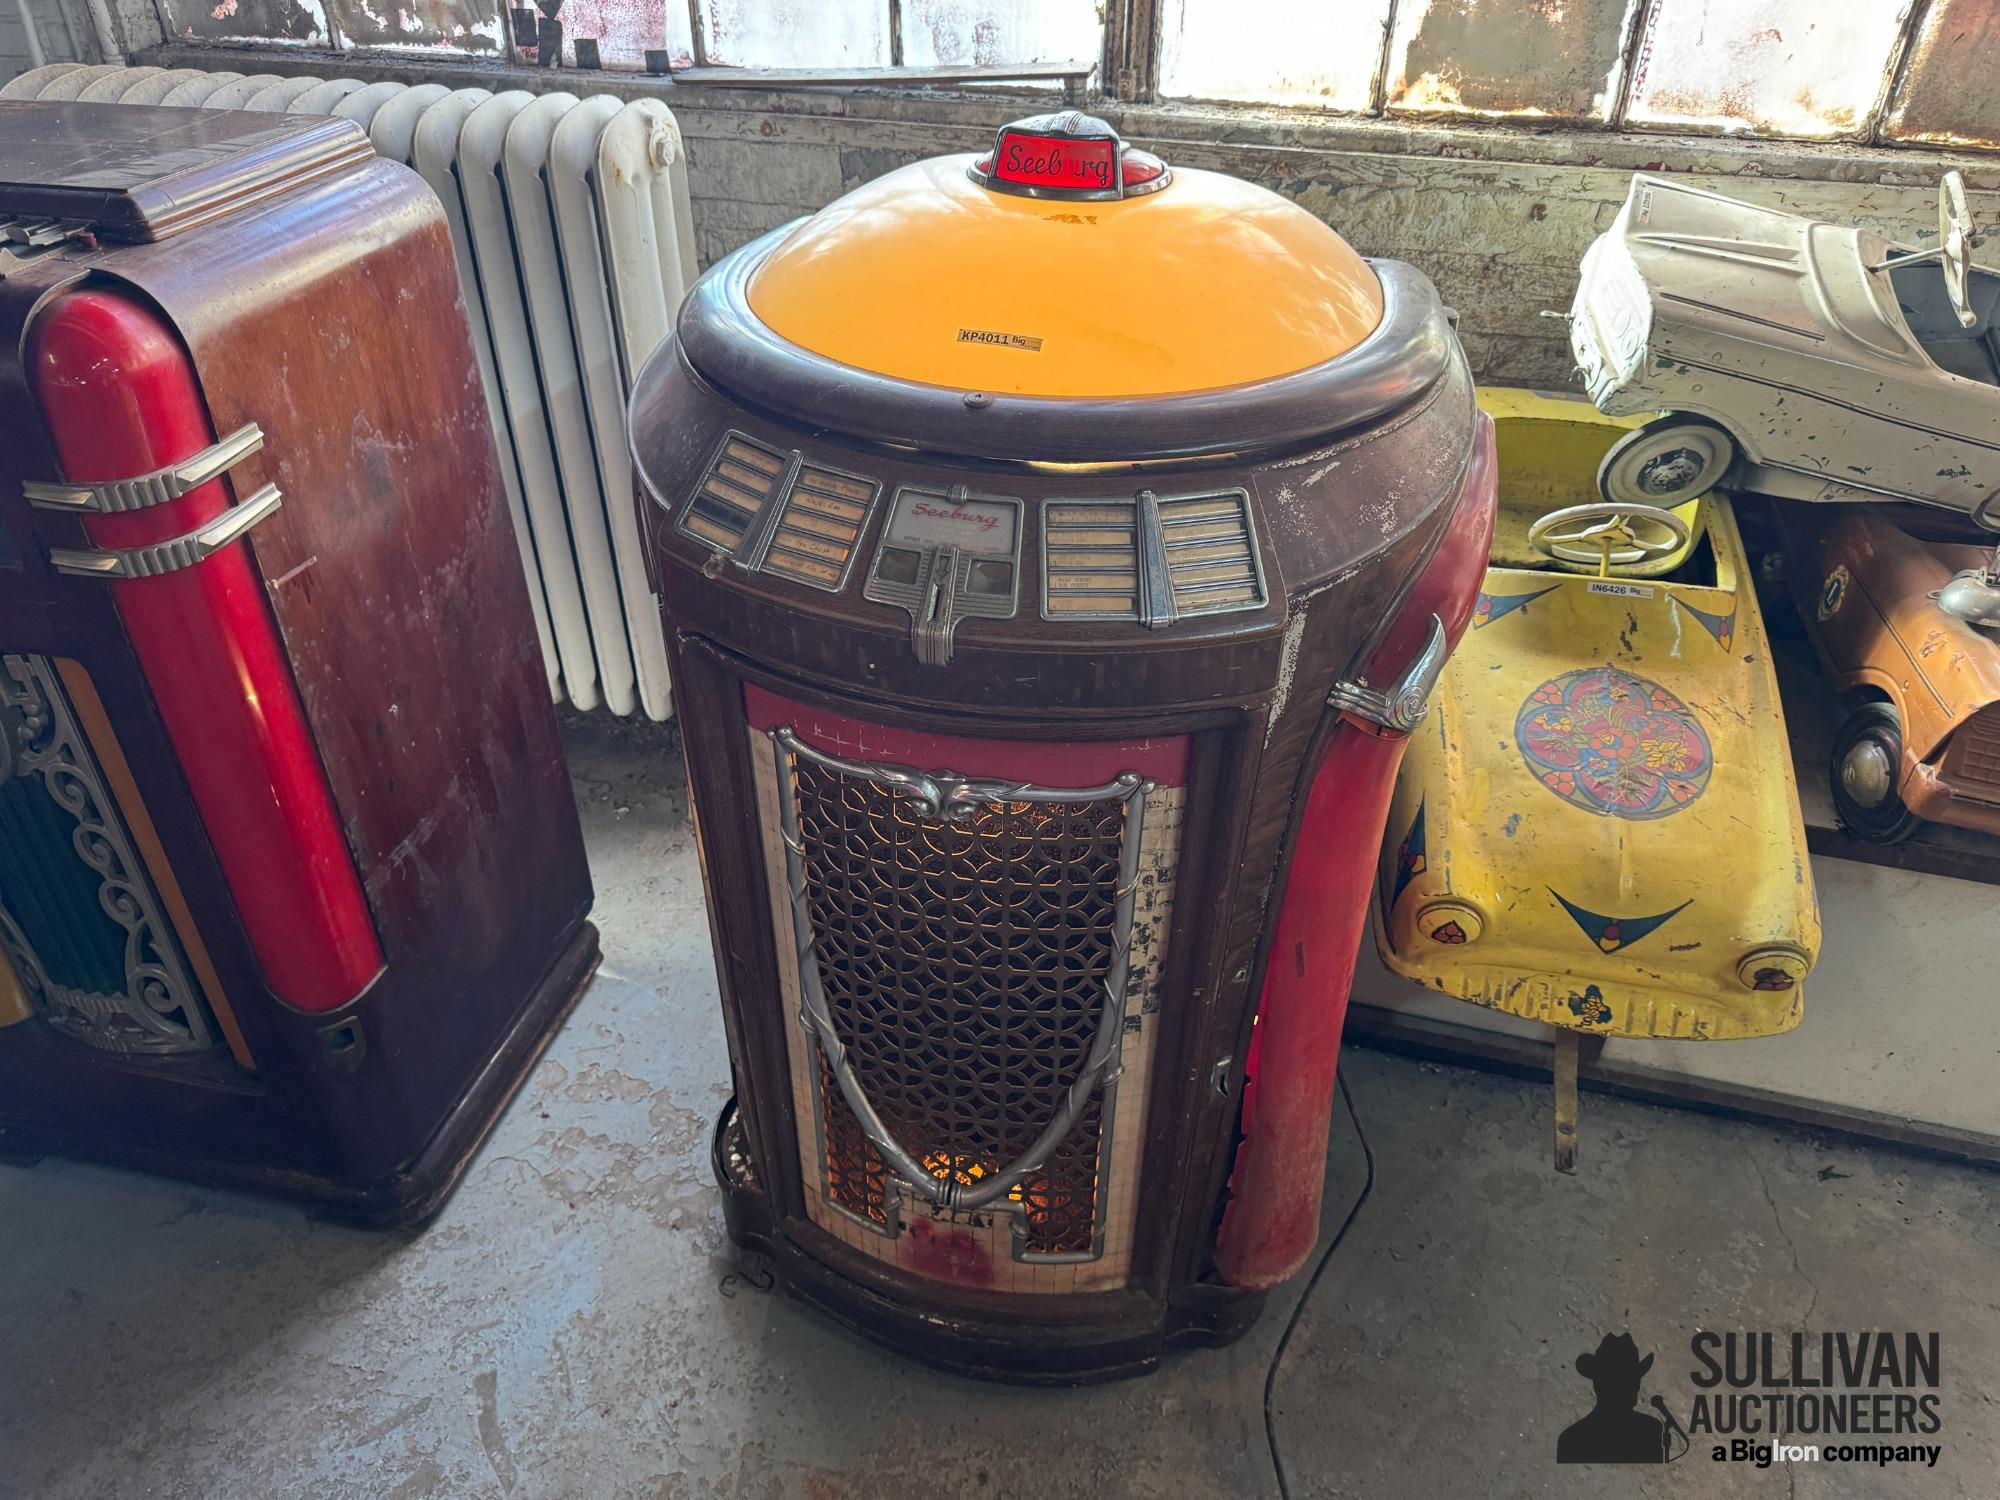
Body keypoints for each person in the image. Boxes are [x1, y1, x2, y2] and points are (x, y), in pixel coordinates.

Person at [1557, 1333, 1669, 1463]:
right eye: (1627, 1381)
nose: (1636, 1387)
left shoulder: (1571, 1438)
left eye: (1634, 1380)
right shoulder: (1649, 1430)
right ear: (1601, 1385)